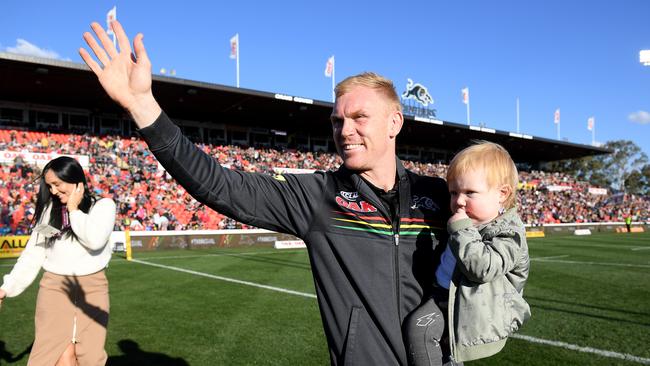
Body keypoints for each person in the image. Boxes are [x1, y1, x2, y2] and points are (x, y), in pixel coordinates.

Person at [80, 21, 451, 365]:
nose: (345, 130)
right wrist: (142, 105)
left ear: (394, 122)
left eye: (359, 118)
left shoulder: (440, 196)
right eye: (337, 120)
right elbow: (219, 183)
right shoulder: (319, 197)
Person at [405, 141, 531, 365]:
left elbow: (482, 268)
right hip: (442, 295)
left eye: (470, 192)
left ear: (502, 194)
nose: (458, 201)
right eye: (454, 192)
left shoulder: (509, 233)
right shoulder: (466, 221)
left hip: (471, 310)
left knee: (425, 333)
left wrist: (462, 230)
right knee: (430, 337)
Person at [0, 156, 116, 366]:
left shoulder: (103, 206)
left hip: (93, 288)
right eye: (49, 186)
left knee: (90, 357)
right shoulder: (48, 213)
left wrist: (73, 209)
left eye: (57, 184)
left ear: (75, 179)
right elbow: (33, 254)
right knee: (53, 355)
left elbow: (94, 240)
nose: (52, 191)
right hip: (54, 287)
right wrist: (6, 288)